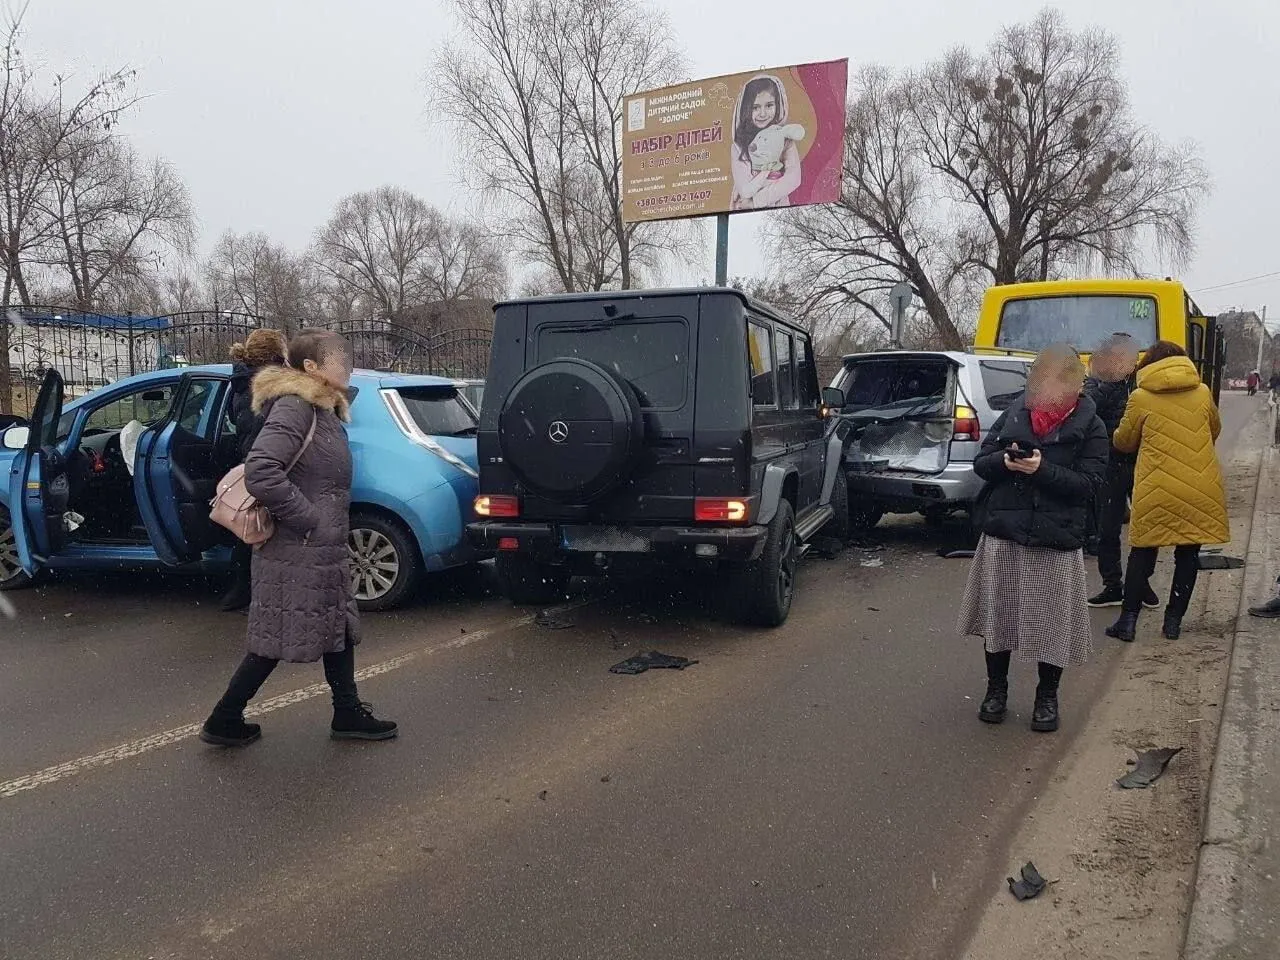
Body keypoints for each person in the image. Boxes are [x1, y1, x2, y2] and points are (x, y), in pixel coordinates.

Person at [201, 329, 397, 747]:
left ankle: (346, 712)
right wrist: (307, 519)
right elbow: (262, 471)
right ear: (311, 367)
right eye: (340, 360)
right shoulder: (295, 407)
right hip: (298, 548)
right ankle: (224, 718)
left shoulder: (323, 409)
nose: (348, 366)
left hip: (321, 547)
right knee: (274, 639)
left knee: (337, 625)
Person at [960, 343, 1109, 734]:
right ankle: (996, 690)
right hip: (1005, 533)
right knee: (999, 617)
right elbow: (981, 463)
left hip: (1055, 538)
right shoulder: (1016, 412)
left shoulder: (1092, 426)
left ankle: (1047, 697)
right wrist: (1005, 462)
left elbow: (1089, 486)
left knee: (1051, 624)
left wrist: (1041, 469)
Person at [1105, 341, 1229, 642]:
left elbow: (1124, 442)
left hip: (1156, 488)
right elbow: (1215, 428)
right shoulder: (1201, 392)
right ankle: (1173, 622)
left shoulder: (1140, 396)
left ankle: (1128, 622)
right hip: (1198, 487)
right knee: (1187, 556)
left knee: (1143, 553)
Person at [1084, 334, 1159, 609]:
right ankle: (1112, 584)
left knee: (1147, 526)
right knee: (1108, 527)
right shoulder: (1096, 382)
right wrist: (1111, 381)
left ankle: (1141, 582)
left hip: (1144, 462)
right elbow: (1088, 412)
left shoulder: (1145, 382)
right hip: (1111, 463)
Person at [219, 328, 289, 612]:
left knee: (250, 528)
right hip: (271, 462)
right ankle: (258, 594)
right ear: (274, 355)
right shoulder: (272, 386)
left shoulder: (239, 383)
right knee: (267, 532)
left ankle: (240, 591)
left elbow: (240, 423)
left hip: (250, 460)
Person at [730, 74, 802, 211]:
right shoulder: (738, 146)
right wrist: (770, 176)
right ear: (746, 109)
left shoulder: (784, 138)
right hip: (743, 212)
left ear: (778, 105)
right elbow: (745, 189)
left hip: (779, 212)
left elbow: (793, 179)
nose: (762, 114)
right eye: (755, 107)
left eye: (769, 105)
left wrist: (756, 201)